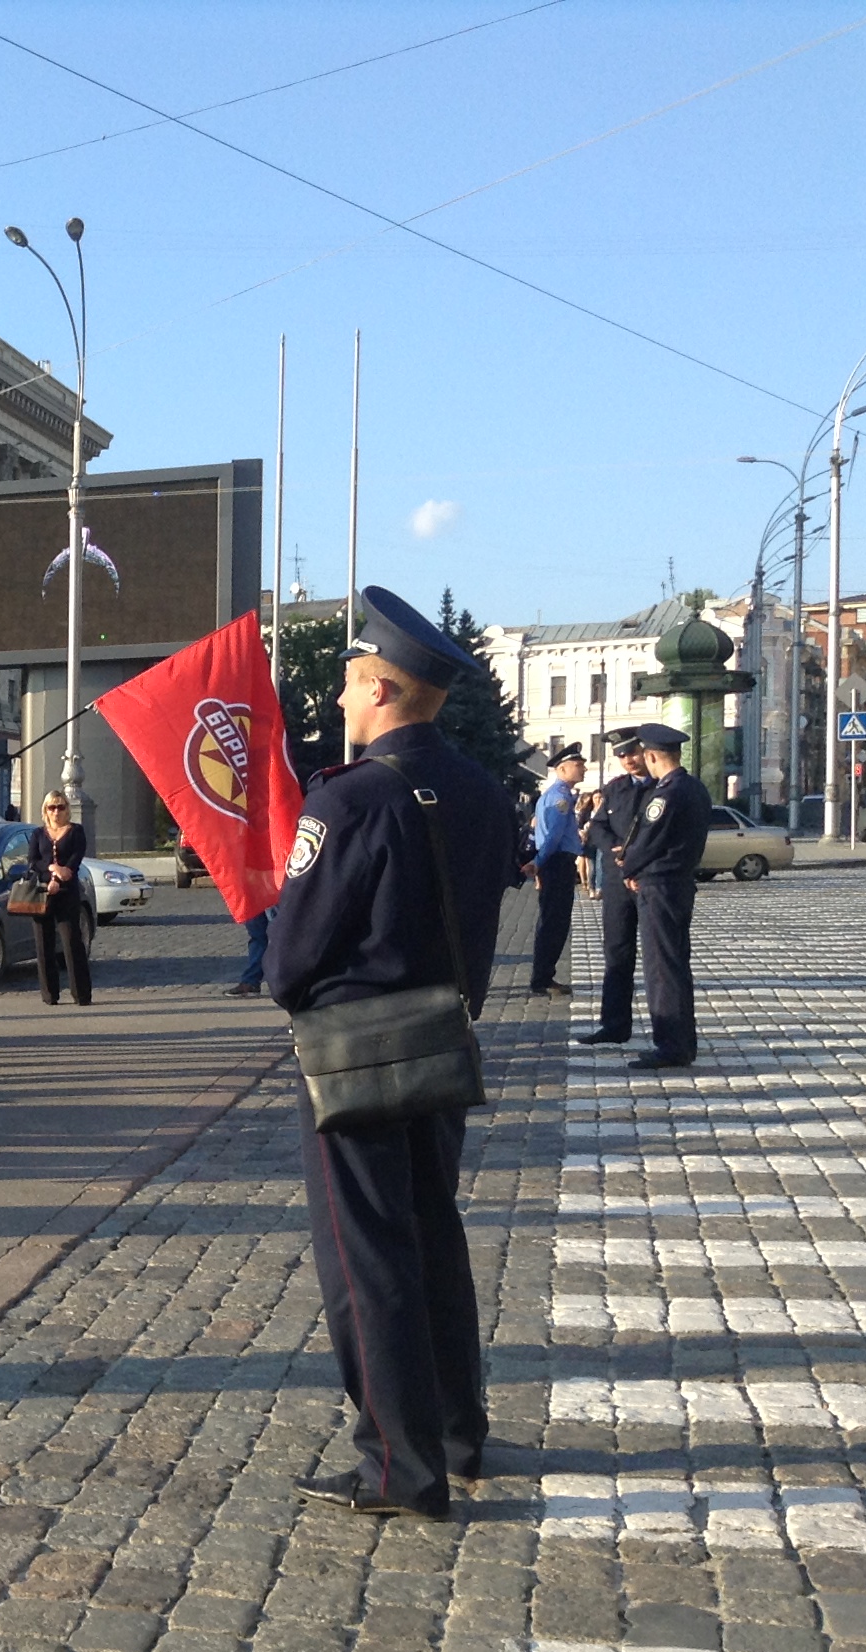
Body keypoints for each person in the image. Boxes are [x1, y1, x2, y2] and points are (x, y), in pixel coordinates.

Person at [269, 587, 519, 1518]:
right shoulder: (482, 790)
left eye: (346, 686)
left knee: (365, 1255)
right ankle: (457, 1431)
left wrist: (293, 989)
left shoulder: (353, 800)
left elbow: (292, 956)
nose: (336, 702)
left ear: (381, 689)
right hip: (443, 1042)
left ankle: (397, 1467)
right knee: (432, 1236)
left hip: (354, 1051)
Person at [615, 722, 711, 1071]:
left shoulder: (666, 793)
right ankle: (682, 1041)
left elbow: (650, 841)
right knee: (674, 964)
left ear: (652, 756)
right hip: (678, 884)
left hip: (660, 886)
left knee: (661, 968)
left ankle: (670, 1045)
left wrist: (626, 867)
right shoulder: (694, 787)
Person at [577, 730, 650, 1046]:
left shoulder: (664, 786)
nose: (628, 760)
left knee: (659, 956)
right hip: (617, 881)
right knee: (616, 952)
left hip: (649, 878)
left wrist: (634, 855)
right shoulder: (614, 789)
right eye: (622, 755)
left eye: (632, 752)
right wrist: (616, 851)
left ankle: (669, 1028)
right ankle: (614, 1024)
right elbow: (597, 828)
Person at [526, 745, 585, 995]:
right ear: (562, 769)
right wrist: (538, 863)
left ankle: (543, 976)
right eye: (578, 764)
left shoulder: (559, 795)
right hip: (557, 862)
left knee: (553, 920)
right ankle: (542, 978)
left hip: (557, 862)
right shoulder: (559, 797)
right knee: (554, 922)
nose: (583, 768)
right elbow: (553, 836)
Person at [31, 790, 92, 1006]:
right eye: (51, 807)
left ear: (67, 809)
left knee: (72, 942)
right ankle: (49, 994)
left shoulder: (76, 831)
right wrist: (50, 870)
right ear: (45, 811)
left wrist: (60, 875)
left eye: (60, 807)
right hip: (43, 893)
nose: (56, 811)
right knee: (43, 944)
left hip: (67, 893)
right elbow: (33, 861)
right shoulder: (38, 834)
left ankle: (81, 993)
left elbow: (75, 860)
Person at [227, 910, 271, 998]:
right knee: (257, 935)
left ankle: (290, 981)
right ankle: (251, 982)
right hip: (254, 899)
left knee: (281, 934)